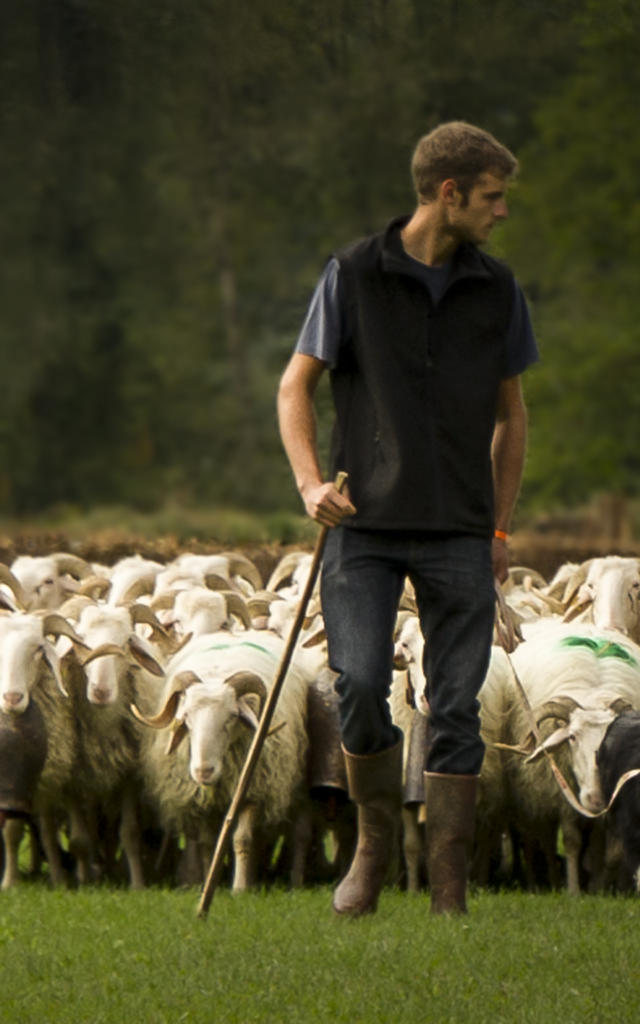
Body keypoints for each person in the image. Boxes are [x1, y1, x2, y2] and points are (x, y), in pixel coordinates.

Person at [277, 121, 538, 917]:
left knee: (456, 704)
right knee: (358, 683)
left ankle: (449, 889)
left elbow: (512, 418)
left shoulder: (497, 290)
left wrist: (497, 529)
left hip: (460, 529)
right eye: (492, 198)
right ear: (449, 193)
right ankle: (374, 845)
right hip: (362, 528)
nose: (501, 213)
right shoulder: (352, 274)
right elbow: (295, 388)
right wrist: (311, 484)